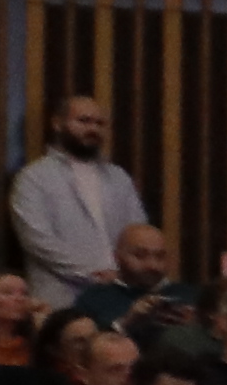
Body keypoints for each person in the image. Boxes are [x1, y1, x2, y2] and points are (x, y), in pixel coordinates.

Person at [11, 91, 145, 303]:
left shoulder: (119, 177)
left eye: (99, 123)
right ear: (57, 123)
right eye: (83, 121)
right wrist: (97, 274)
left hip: (121, 293)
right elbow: (38, 241)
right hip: (62, 296)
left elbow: (139, 234)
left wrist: (128, 274)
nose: (92, 129)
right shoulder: (34, 178)